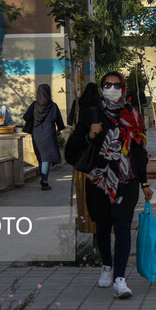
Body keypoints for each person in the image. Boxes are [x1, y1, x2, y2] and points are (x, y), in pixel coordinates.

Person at [64, 71, 151, 299]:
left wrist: (144, 182)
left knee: (122, 226)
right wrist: (89, 136)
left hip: (126, 180)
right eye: (106, 84)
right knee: (102, 227)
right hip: (99, 181)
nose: (111, 88)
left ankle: (120, 280)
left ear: (123, 88)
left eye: (116, 85)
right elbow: (71, 151)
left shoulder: (133, 114)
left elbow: (139, 150)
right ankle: (106, 265)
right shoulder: (91, 113)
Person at [67, 83, 101, 233]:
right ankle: (96, 233)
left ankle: (87, 225)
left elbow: (69, 121)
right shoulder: (99, 106)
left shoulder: (78, 103)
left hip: (82, 155)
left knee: (85, 195)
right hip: (96, 155)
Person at [23, 84, 65, 190]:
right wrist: (59, 129)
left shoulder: (34, 105)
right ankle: (44, 181)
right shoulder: (53, 106)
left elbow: (26, 117)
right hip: (49, 133)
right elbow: (59, 120)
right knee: (46, 158)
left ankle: (43, 178)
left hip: (36, 133)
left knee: (41, 156)